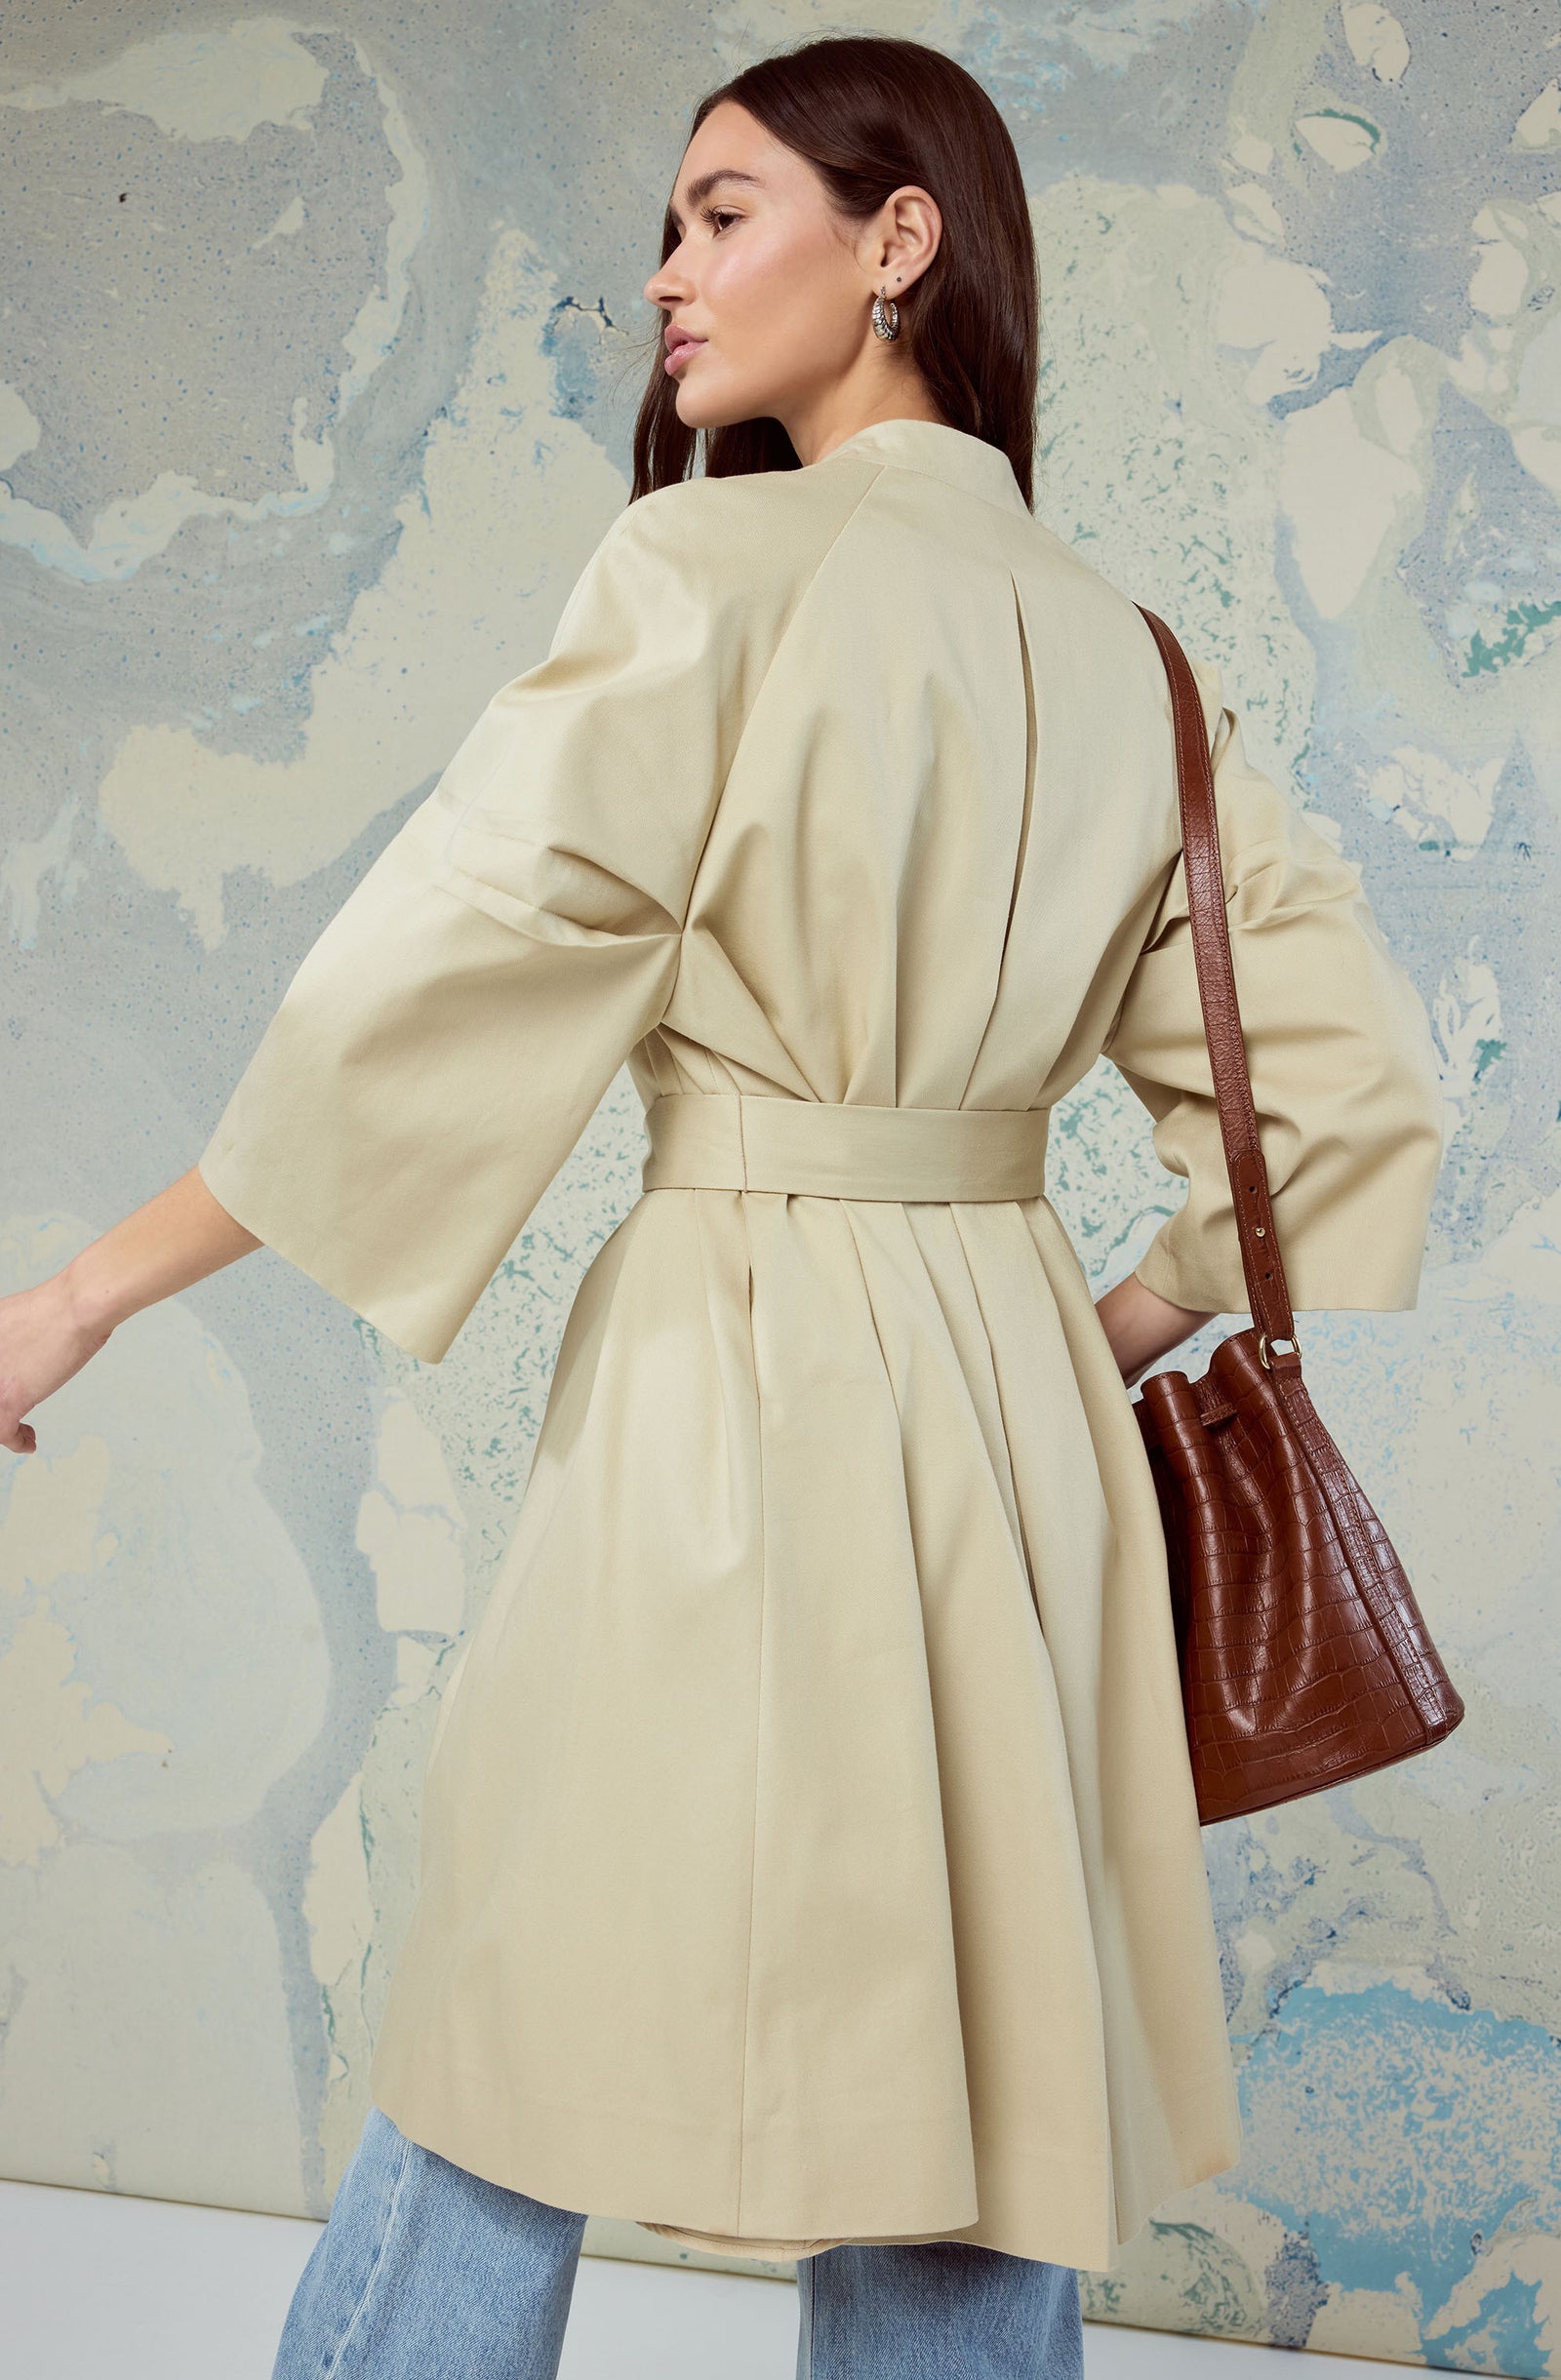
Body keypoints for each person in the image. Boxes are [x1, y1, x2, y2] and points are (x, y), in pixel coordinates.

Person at [0, 32, 1445, 2380]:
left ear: (900, 244)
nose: (664, 275)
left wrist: (73, 1297)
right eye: (665, 225)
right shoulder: (1130, 659)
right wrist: (1084, 1328)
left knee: (513, 2014)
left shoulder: (701, 567)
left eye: (721, 211)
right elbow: (1346, 1095)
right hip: (1003, 1416)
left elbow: (407, 1008)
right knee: (969, 2096)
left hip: (727, 1376)